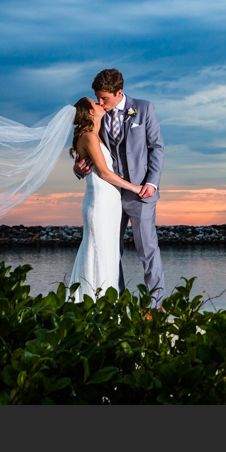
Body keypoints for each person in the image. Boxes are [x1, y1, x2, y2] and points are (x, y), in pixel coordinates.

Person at [73, 69, 165, 308]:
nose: (101, 103)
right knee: (111, 252)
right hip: (109, 196)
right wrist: (79, 169)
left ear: (119, 92)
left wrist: (151, 184)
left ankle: (155, 306)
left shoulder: (144, 109)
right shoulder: (96, 119)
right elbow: (89, 157)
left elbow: (156, 148)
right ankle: (118, 303)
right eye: (98, 98)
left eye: (105, 98)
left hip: (141, 193)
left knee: (147, 250)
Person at [67, 97, 148, 302]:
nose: (99, 103)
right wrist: (135, 188)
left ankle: (104, 307)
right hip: (100, 204)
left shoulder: (96, 135)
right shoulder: (88, 137)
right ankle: (94, 305)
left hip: (110, 204)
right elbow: (103, 173)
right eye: (95, 103)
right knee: (99, 254)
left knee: (108, 255)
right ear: (91, 113)